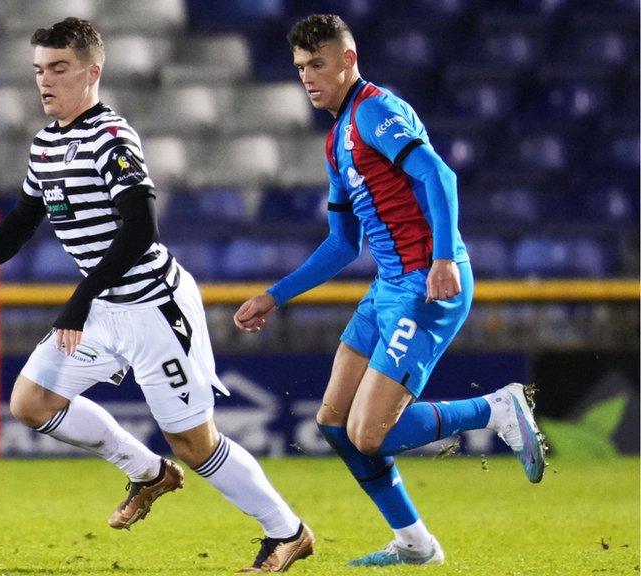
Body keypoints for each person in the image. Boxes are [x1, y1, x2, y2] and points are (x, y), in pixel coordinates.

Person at [0, 18, 313, 573]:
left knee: (195, 444)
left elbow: (140, 232)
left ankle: (288, 532)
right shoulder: (46, 143)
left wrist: (80, 298)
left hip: (154, 306)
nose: (45, 81)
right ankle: (147, 472)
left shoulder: (112, 139)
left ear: (93, 72)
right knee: (31, 403)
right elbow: (22, 221)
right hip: (105, 307)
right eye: (39, 70)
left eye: (59, 69)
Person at [233, 14, 547, 568]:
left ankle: (494, 408)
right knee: (333, 424)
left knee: (369, 433)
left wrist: (445, 257)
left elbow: (439, 176)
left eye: (318, 64)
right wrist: (274, 296)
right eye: (301, 67)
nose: (308, 77)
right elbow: (340, 243)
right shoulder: (337, 140)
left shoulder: (376, 110)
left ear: (348, 60)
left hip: (425, 286)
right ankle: (416, 544)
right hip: (387, 289)